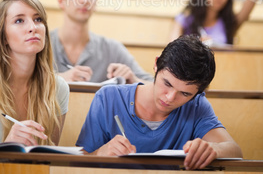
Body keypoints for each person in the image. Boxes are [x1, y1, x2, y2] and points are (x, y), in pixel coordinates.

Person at [76, 35, 243, 169]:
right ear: (156, 65)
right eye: (167, 83)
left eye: (184, 93)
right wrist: (99, 153)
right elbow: (75, 164)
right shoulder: (108, 98)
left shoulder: (196, 106)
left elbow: (235, 150)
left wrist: (214, 149)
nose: (170, 98)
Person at [50, 0, 153, 83]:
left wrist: (134, 80)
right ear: (61, 1)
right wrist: (58, 80)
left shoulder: (112, 50)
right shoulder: (42, 45)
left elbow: (153, 86)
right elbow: (28, 81)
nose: (85, 0)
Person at [0, 0, 69, 146]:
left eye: (38, 19)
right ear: (4, 37)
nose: (33, 27)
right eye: (19, 21)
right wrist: (7, 147)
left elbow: (47, 159)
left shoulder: (57, 88)